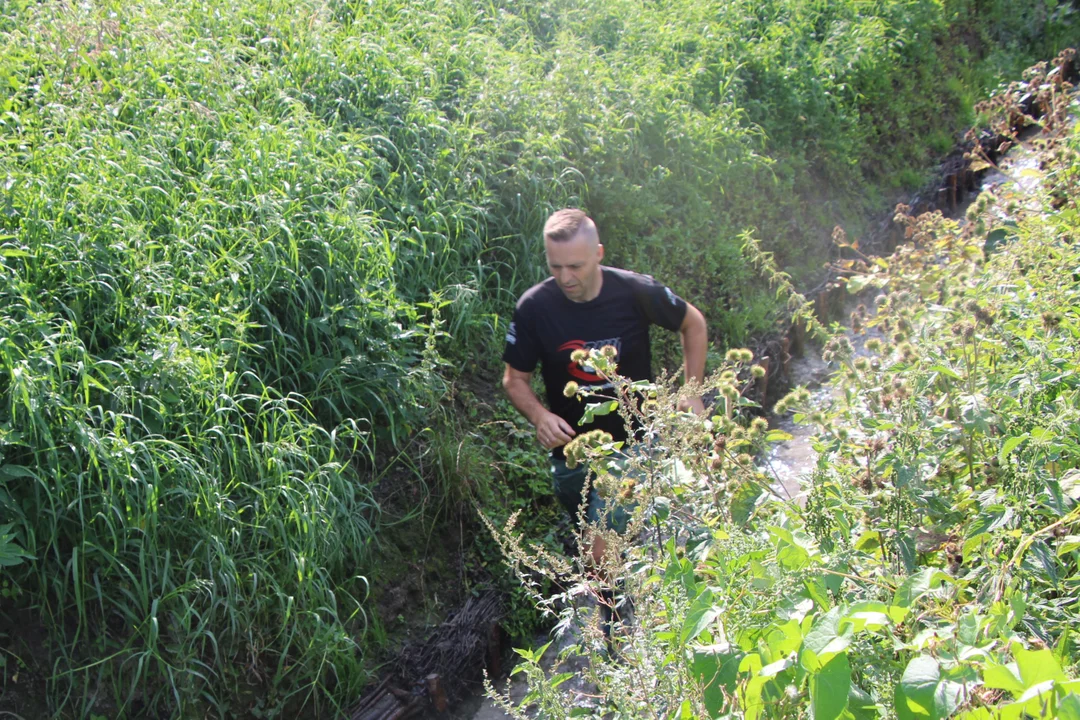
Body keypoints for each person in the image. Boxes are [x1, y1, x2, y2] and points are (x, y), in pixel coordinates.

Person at [501, 208, 707, 569]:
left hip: (635, 443)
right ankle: (625, 587)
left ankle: (612, 625)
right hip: (571, 450)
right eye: (556, 266)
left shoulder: (635, 291)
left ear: (598, 253)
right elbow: (514, 379)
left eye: (576, 266)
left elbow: (694, 323)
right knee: (592, 535)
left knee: (597, 549)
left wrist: (691, 391)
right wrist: (539, 416)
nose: (565, 277)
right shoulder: (534, 307)